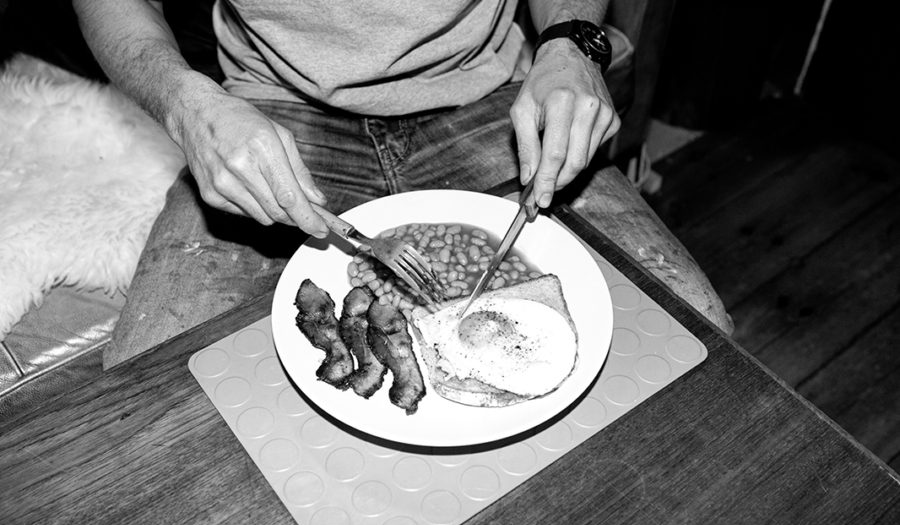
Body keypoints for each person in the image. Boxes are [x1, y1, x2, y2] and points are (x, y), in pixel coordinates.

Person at [73, 0, 732, 368]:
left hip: (492, 97)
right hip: (271, 109)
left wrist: (569, 42)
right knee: (154, 376)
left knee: (692, 337)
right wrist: (185, 103)